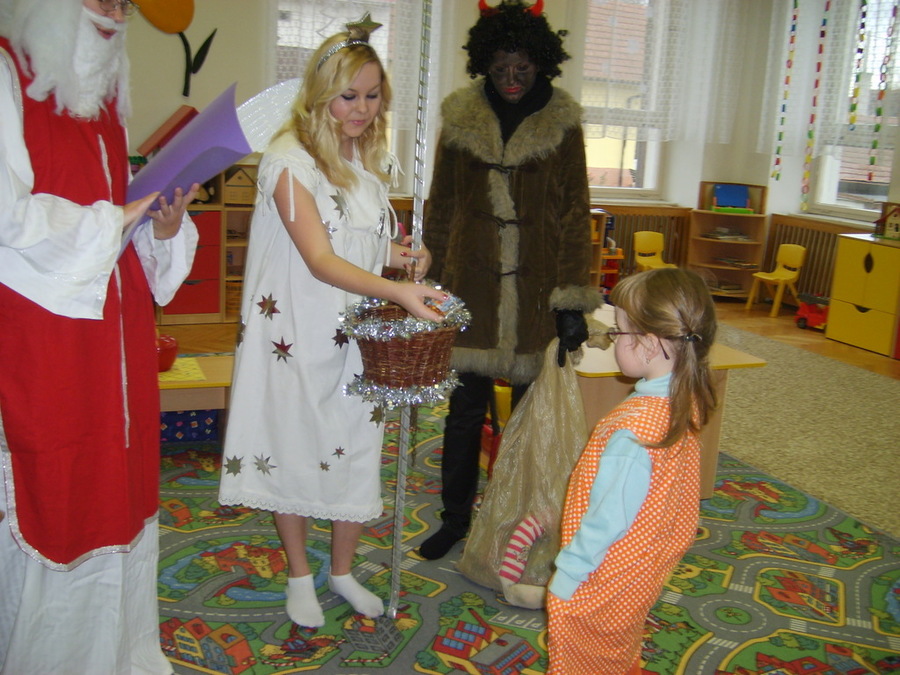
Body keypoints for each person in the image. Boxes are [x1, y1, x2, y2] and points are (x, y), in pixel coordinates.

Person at [217, 16, 444, 629]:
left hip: (354, 335)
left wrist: (402, 256)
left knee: (354, 448)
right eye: (348, 96)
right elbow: (319, 258)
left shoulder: (363, 160)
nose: (361, 110)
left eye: (372, 96)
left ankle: (342, 571)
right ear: (321, 94)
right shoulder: (289, 162)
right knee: (292, 446)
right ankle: (299, 574)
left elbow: (356, 242)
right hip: (294, 334)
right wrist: (399, 291)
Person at [0, 0, 200, 672]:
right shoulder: (5, 72)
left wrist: (159, 225)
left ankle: (117, 656)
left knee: (118, 485)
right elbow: (8, 217)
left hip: (117, 338)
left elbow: (120, 220)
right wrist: (116, 220)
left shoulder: (105, 104)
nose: (114, 9)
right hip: (44, 341)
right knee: (56, 496)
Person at [418, 0, 600, 561]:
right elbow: (441, 205)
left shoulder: (562, 124)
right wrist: (433, 285)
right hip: (470, 287)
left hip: (536, 292)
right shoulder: (461, 119)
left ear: (541, 62)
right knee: (463, 413)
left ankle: (512, 519)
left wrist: (571, 301)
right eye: (500, 69)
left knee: (527, 420)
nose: (512, 79)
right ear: (484, 65)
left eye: (522, 67)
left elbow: (575, 212)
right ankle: (454, 520)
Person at [546, 267, 718, 675]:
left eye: (619, 331)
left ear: (650, 344)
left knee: (581, 659)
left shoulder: (635, 431)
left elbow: (607, 519)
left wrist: (567, 576)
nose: (613, 339)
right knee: (615, 652)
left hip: (602, 577)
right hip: (642, 568)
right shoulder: (682, 400)